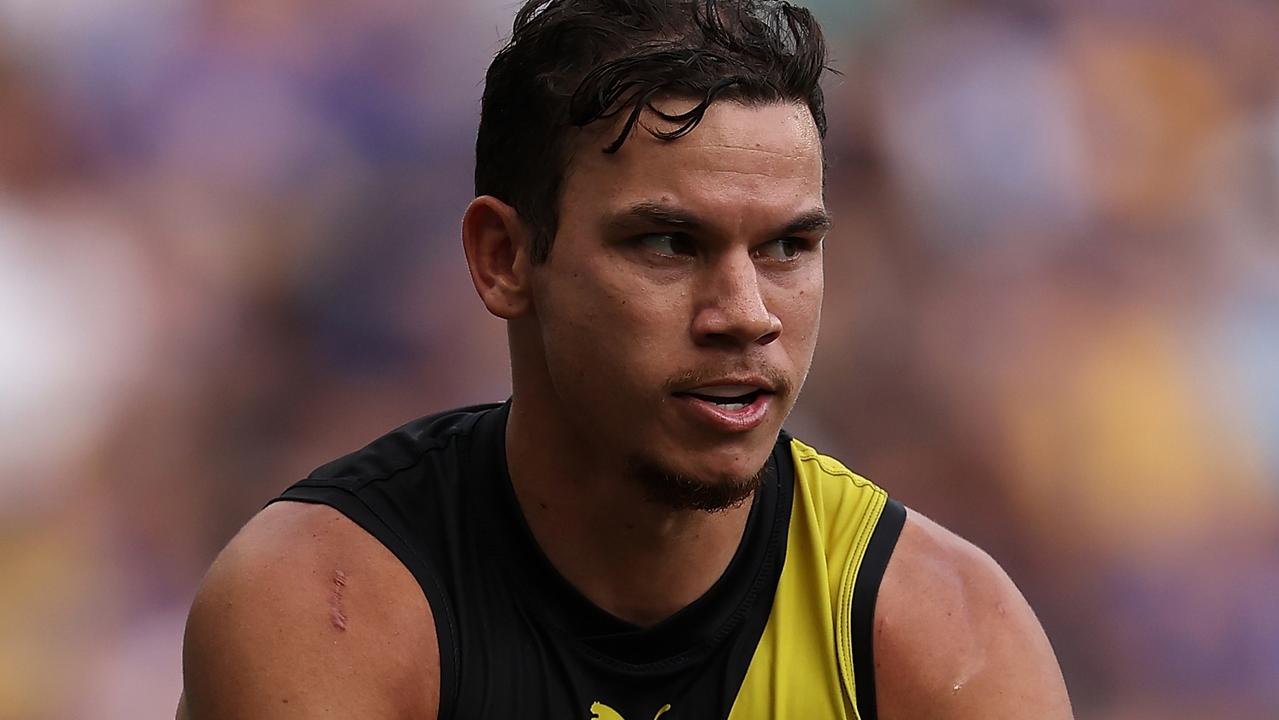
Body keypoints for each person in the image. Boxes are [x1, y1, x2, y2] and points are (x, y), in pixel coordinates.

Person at [177, 1, 1074, 718]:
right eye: (668, 244)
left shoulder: (943, 637)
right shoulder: (324, 604)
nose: (747, 315)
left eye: (787, 248)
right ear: (504, 258)